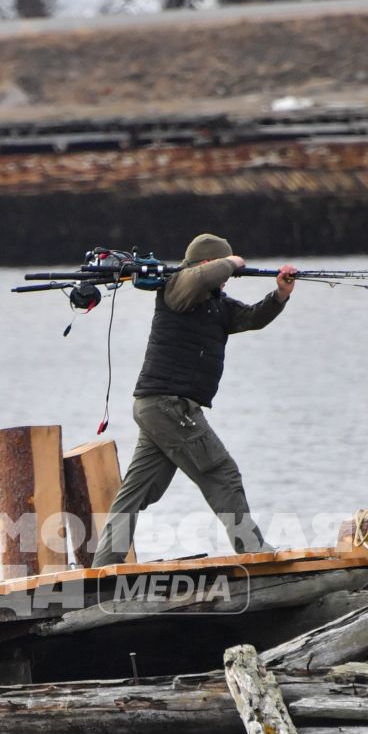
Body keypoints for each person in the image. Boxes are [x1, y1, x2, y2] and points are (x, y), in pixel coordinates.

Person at [92, 234, 298, 566]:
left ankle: (103, 565)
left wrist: (280, 295)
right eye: (222, 266)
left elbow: (251, 318)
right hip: (170, 406)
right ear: (208, 265)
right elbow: (199, 277)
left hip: (157, 408)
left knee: (138, 490)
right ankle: (254, 551)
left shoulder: (216, 303)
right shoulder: (177, 288)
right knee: (222, 473)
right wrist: (231, 263)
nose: (228, 275)